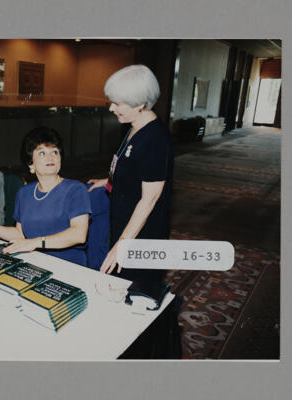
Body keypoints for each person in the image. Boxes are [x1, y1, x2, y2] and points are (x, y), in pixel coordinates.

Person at [88, 65, 180, 358]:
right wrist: (109, 180)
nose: (112, 108)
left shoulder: (155, 139)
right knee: (120, 291)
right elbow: (132, 169)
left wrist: (121, 246)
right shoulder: (134, 127)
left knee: (137, 299)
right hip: (126, 225)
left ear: (141, 104)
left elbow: (149, 199)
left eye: (118, 103)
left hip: (142, 235)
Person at [0, 126, 91, 266]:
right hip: (34, 263)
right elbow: (20, 234)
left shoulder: (75, 190)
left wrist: (35, 242)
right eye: (41, 153)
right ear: (30, 164)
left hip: (69, 266)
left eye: (55, 152)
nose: (50, 157)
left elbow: (79, 234)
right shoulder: (25, 193)